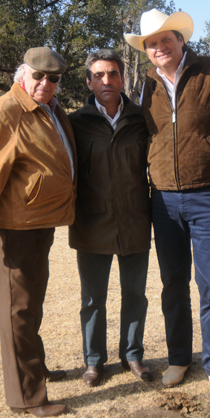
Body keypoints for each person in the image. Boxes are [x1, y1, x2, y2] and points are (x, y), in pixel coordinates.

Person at [124, 9, 210, 398]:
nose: (159, 47)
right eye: (151, 43)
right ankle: (178, 359)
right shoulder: (147, 85)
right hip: (165, 200)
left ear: (180, 40)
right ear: (146, 50)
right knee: (173, 284)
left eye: (165, 40)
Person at [0, 47, 75, 417]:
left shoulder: (52, 109)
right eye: (38, 76)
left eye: (53, 78)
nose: (45, 83)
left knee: (31, 306)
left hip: (40, 222)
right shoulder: (7, 110)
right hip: (15, 227)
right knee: (18, 311)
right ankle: (27, 397)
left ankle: (34, 369)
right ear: (22, 74)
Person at [68, 49, 152, 387]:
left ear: (122, 78)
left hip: (134, 219)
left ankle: (132, 355)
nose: (107, 81)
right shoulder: (75, 123)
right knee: (92, 298)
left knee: (135, 294)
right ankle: (94, 361)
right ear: (89, 81)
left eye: (113, 74)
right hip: (91, 223)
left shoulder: (141, 118)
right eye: (99, 75)